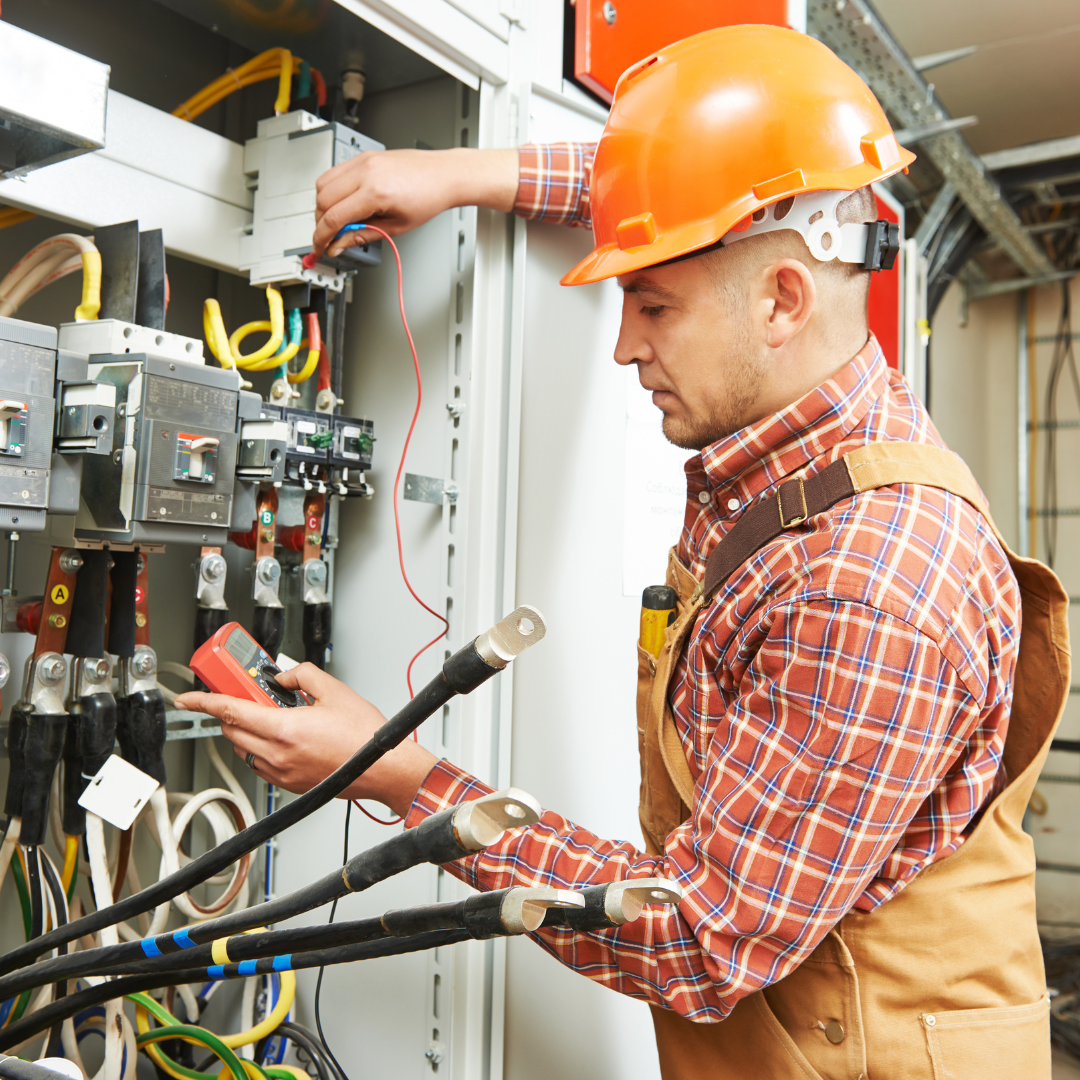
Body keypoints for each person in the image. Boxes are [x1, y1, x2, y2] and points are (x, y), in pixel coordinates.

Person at [178, 25, 1069, 1080]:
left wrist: (405, 778)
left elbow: (699, 934)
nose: (625, 344)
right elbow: (675, 200)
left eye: (652, 304)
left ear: (783, 299)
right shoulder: (798, 427)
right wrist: (461, 172)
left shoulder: (869, 577)